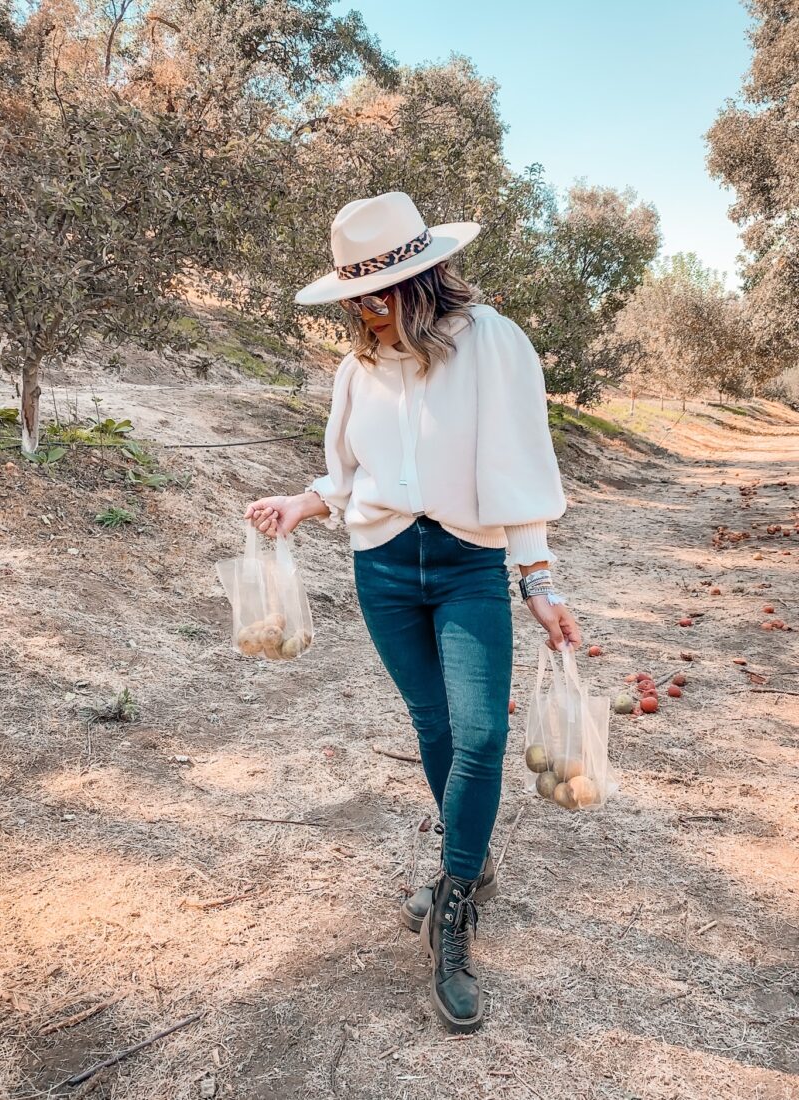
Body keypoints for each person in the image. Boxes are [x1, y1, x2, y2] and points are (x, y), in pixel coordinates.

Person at [245, 191, 581, 1034]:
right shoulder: (359, 368)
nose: (367, 310)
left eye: (381, 293)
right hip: (383, 569)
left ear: (424, 277)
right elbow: (349, 474)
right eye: (357, 296)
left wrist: (538, 580)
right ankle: (470, 863)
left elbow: (518, 464)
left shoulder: (494, 343)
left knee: (482, 736)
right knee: (434, 728)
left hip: (469, 565)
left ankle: (454, 909)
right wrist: (301, 503)